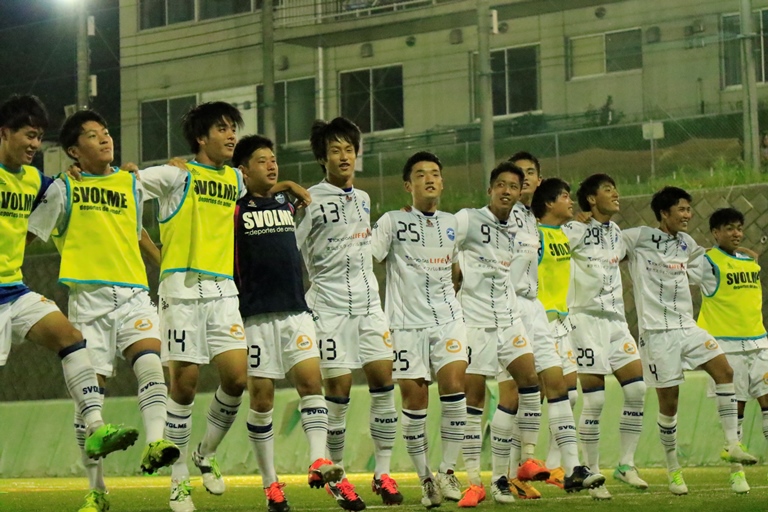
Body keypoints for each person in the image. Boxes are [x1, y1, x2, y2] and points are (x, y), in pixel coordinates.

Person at [26, 109, 179, 512]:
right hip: (89, 299)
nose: (105, 138)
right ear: (74, 151)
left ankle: (156, 442)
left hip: (133, 294)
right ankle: (97, 489)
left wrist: (164, 262)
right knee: (89, 399)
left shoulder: (131, 183)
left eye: (106, 131)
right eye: (93, 136)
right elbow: (29, 232)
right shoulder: (64, 189)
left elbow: (139, 228)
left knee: (151, 362)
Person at [0, 95, 139, 456]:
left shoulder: (36, 181)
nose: (35, 144)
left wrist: (78, 174)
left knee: (71, 338)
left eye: (38, 136)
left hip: (13, 289)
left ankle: (96, 426)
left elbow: (64, 189)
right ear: (4, 133)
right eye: (28, 135)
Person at [133, 102, 249, 512]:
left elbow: (263, 187)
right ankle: (178, 480)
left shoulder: (236, 179)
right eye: (222, 128)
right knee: (183, 387)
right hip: (180, 293)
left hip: (222, 291)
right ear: (202, 138)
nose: (231, 135)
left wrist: (288, 184)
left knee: (237, 378)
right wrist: (152, 249)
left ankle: (205, 452)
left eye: (233, 127)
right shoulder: (175, 175)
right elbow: (127, 187)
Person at [231, 134, 344, 512]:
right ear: (243, 171)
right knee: (262, 400)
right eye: (262, 161)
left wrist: (286, 186)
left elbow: (285, 192)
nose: (271, 165)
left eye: (273, 159)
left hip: (296, 310)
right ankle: (271, 484)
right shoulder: (233, 209)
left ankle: (317, 460)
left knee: (312, 384)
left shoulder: (285, 202)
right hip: (256, 315)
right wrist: (286, 184)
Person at [622, 186, 757, 495]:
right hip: (657, 333)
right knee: (669, 405)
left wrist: (739, 258)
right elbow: (609, 248)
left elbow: (708, 262)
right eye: (681, 209)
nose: (687, 215)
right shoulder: (638, 237)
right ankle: (673, 469)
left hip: (686, 326)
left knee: (725, 371)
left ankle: (732, 444)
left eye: (688, 209)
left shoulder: (687, 243)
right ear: (664, 213)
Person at [296, 117, 401, 510]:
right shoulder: (309, 200)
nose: (344, 156)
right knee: (337, 394)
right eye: (335, 150)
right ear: (322, 158)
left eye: (349, 149)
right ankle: (337, 476)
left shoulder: (364, 199)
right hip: (329, 309)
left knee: (384, 385)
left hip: (369, 307)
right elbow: (292, 250)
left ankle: (383, 473)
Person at [371, 151, 468, 509]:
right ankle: (426, 479)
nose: (429, 179)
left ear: (442, 182)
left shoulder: (453, 223)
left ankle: (447, 471)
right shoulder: (392, 221)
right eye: (420, 174)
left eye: (435, 173)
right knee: (415, 404)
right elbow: (369, 258)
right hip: (405, 325)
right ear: (407, 185)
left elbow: (457, 270)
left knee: (455, 387)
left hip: (448, 319)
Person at [453, 161, 543, 506]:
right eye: (501, 185)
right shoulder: (468, 219)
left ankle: (518, 466)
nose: (507, 191)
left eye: (513, 186)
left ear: (520, 194)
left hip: (508, 318)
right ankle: (475, 481)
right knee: (473, 401)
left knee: (529, 382)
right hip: (475, 322)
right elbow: (442, 240)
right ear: (490, 189)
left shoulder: (518, 229)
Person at [564, 174, 648, 500]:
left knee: (638, 389)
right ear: (591, 199)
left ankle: (626, 464)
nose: (616, 194)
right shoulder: (574, 230)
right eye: (608, 190)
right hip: (584, 321)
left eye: (615, 188)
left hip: (616, 322)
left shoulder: (616, 233)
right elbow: (548, 249)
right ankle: (593, 473)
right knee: (595, 400)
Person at [529, 177, 605, 494]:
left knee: (568, 394)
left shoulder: (564, 233)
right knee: (528, 397)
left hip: (561, 323)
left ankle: (564, 466)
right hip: (537, 323)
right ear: (549, 203)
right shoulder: (533, 236)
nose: (570, 201)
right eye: (564, 196)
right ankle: (519, 466)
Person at [690, 207, 768, 494]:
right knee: (737, 409)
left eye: (739, 228)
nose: (736, 233)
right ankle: (736, 473)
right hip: (727, 346)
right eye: (729, 228)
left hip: (759, 341)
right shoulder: (707, 262)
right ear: (715, 232)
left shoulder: (749, 261)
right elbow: (680, 273)